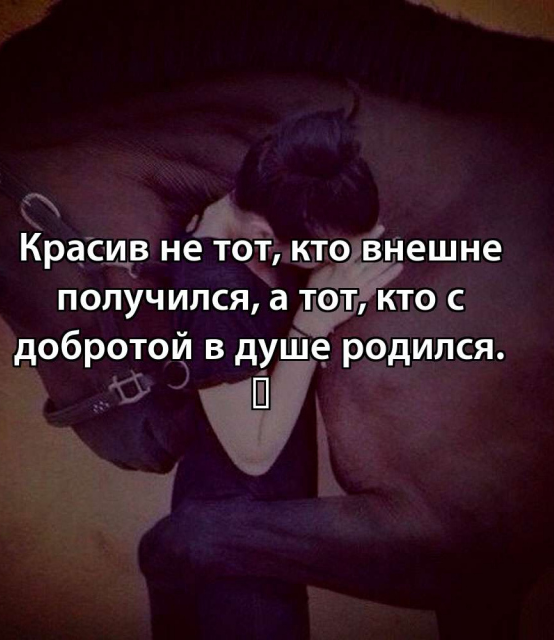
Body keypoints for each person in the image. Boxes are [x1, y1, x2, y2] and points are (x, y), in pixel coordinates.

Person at [139, 109, 402, 640]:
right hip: (234, 555)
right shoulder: (215, 293)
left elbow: (258, 376)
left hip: (259, 535)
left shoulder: (256, 212)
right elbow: (253, 449)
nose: (339, 261)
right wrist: (313, 322)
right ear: (263, 232)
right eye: (329, 251)